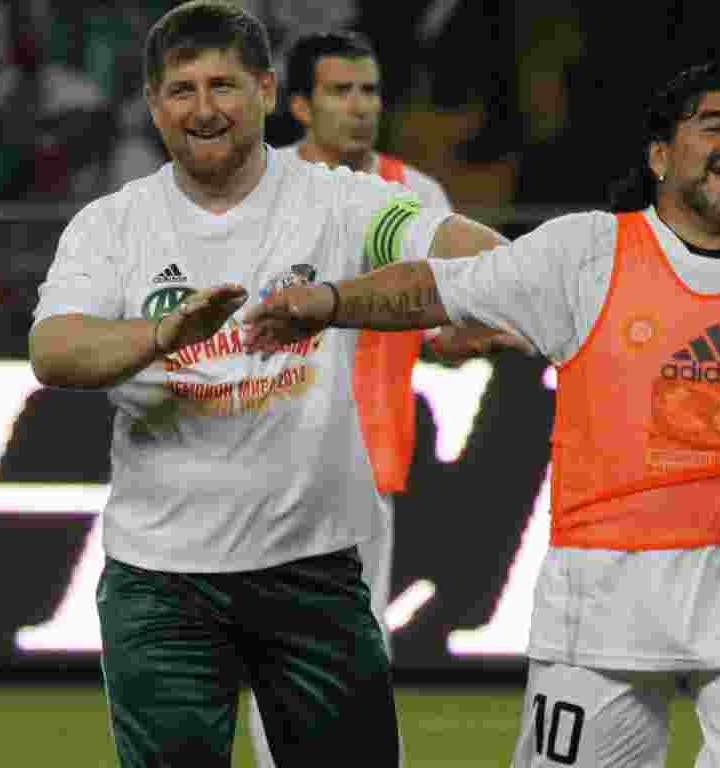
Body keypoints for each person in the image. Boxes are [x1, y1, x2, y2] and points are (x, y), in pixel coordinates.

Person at [244, 63, 720, 767]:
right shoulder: (584, 255)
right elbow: (436, 288)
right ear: (659, 156)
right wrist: (329, 302)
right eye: (714, 126)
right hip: (601, 606)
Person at [28, 3, 508, 766]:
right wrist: (160, 334)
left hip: (311, 570)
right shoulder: (110, 226)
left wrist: (340, 300)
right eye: (181, 90)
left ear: (263, 89)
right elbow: (53, 350)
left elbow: (459, 252)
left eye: (223, 85)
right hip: (160, 584)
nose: (204, 108)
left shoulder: (336, 201)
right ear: (153, 105)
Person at [246, 28, 528, 767]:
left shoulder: (416, 193)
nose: (362, 106)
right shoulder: (260, 189)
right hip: (267, 454)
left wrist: (486, 332)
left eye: (370, 90)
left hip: (369, 455)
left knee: (358, 643)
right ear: (300, 106)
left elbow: (439, 323)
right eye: (341, 91)